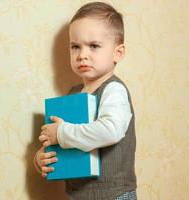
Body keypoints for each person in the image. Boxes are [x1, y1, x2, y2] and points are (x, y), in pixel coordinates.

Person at [33, 2, 137, 200]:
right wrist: (42, 158)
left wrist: (62, 133)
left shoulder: (113, 90)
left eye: (94, 46)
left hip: (113, 194)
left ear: (118, 53)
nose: (82, 55)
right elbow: (63, 141)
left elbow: (111, 129)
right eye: (75, 46)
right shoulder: (72, 95)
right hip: (78, 194)